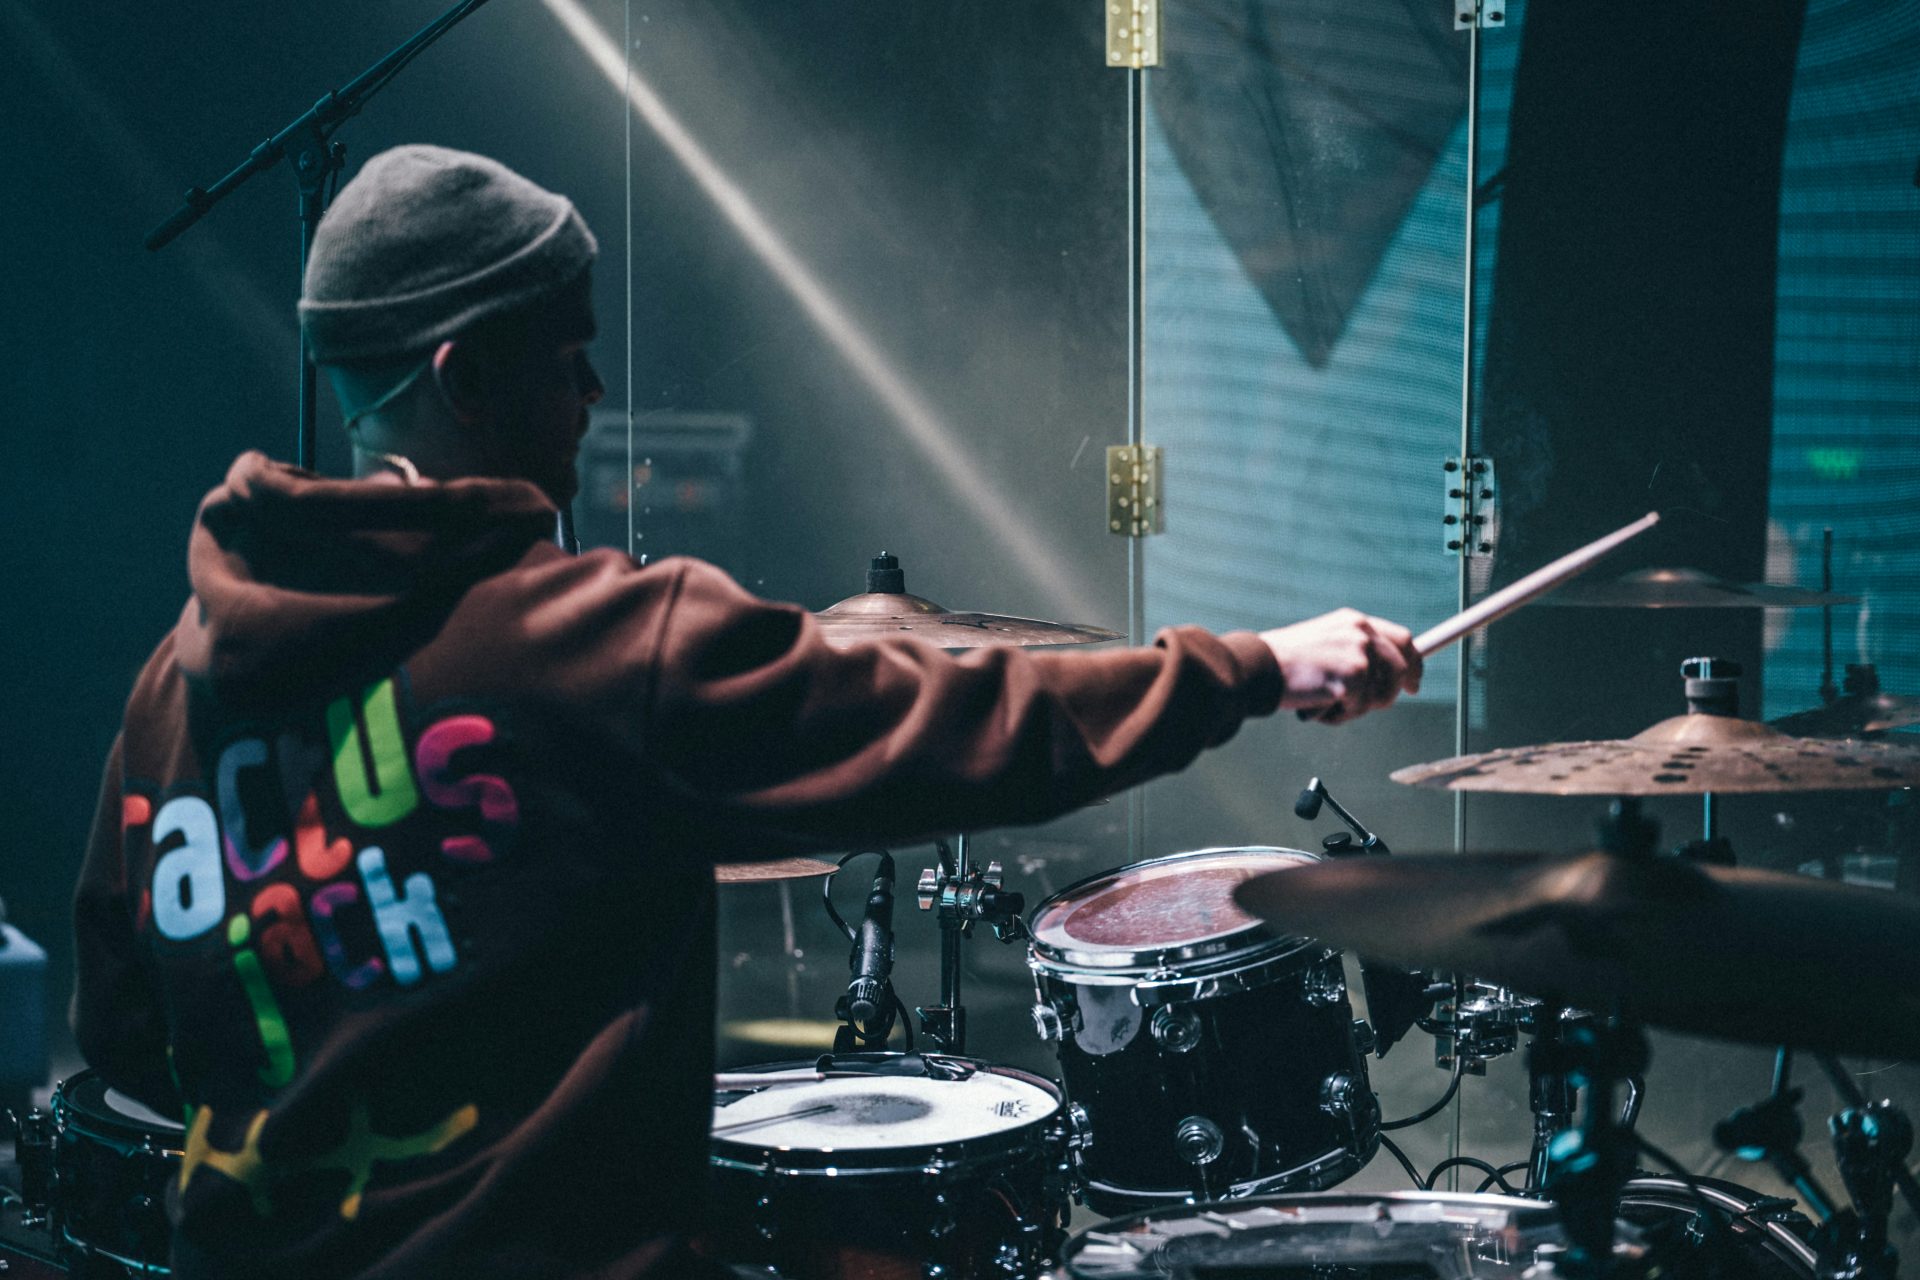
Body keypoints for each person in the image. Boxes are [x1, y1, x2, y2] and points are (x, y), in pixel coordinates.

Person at [71, 145, 1422, 1280]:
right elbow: (967, 722)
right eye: (570, 356)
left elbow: (128, 1027)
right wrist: (1252, 666)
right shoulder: (592, 641)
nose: (597, 397)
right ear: (462, 375)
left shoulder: (169, 687)